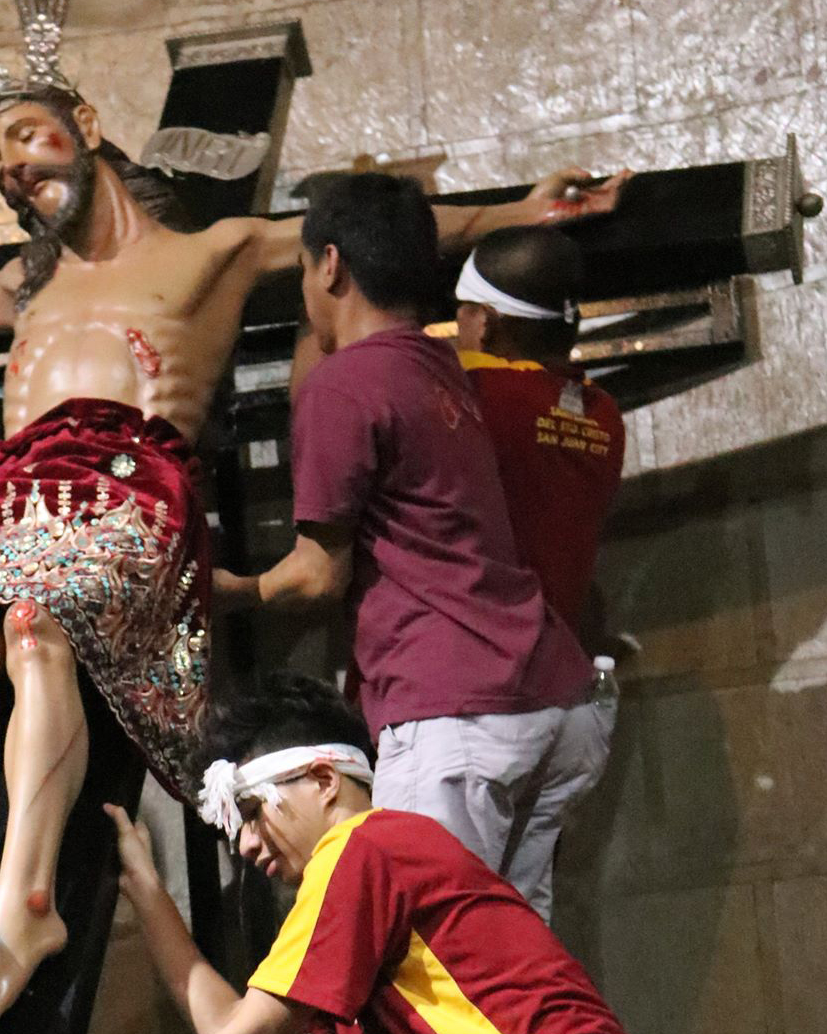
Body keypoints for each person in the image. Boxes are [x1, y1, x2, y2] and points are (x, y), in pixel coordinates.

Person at [0, 77, 627, 1021]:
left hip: (124, 486)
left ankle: (26, 898)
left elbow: (367, 242)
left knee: (40, 627)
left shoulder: (213, 252)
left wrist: (523, 208)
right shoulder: (26, 281)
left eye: (26, 141)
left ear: (84, 127)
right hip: (13, 489)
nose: (13, 173)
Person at [213, 174, 610, 922]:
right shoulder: (440, 366)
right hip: (550, 695)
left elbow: (315, 576)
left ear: (329, 265)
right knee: (505, 969)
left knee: (425, 954)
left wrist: (224, 589)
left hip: (455, 711)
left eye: (302, 268)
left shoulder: (347, 385)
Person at [105, 672, 626, 1034]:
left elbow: (238, 1029)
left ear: (324, 780)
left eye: (250, 810)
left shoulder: (361, 849)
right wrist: (149, 893)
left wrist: (150, 896)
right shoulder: (391, 865)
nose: (244, 842)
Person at [454, 226, 625, 638]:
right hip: (553, 664)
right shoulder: (604, 415)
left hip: (477, 663)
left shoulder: (477, 394)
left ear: (484, 324)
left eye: (460, 310)